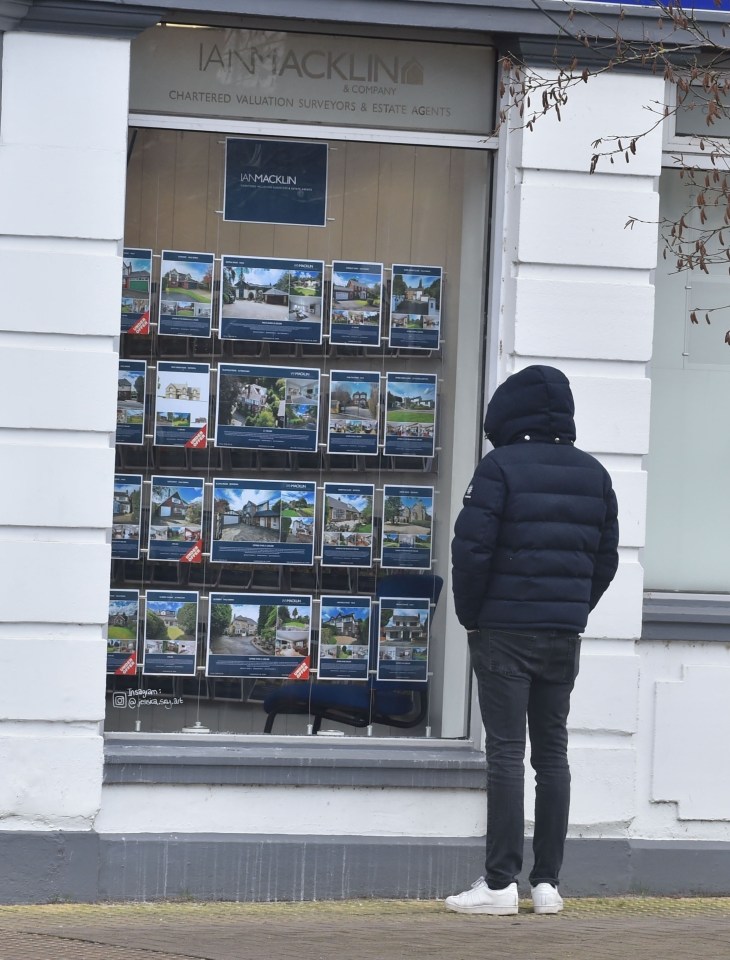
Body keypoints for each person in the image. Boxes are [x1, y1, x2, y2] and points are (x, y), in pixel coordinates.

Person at [447, 365, 619, 917]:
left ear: (509, 414)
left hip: (503, 632)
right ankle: (547, 884)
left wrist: (473, 616)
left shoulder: (498, 468)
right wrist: (572, 610)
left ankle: (500, 884)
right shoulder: (594, 474)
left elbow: (470, 550)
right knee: (552, 754)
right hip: (561, 635)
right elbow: (605, 559)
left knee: (505, 752)